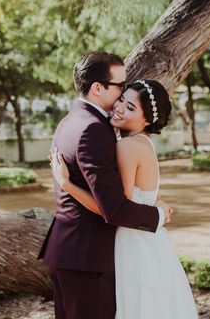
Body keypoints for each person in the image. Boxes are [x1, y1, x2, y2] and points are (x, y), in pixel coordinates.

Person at [38, 52, 173, 319]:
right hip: (87, 258)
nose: (124, 92)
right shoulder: (93, 130)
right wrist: (157, 215)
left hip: (72, 252)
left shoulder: (73, 119)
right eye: (120, 86)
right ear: (98, 88)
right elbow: (112, 208)